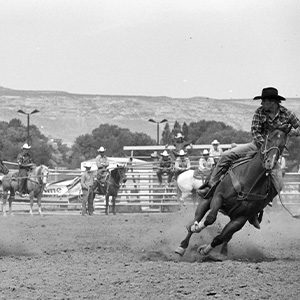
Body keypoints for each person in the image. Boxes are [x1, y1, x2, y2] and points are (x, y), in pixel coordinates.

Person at [199, 87, 300, 228]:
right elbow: (255, 131)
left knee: (278, 184)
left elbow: (299, 127)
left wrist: (289, 131)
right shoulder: (260, 112)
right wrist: (263, 146)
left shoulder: (287, 114)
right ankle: (211, 185)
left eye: (264, 101)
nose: (262, 103)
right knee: (226, 155)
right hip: (257, 146)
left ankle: (256, 208)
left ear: (273, 102)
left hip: (273, 153)